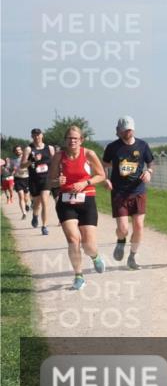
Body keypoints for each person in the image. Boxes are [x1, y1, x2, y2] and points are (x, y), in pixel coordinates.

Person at [46, 125, 107, 290]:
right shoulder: (59, 156)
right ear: (65, 140)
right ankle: (79, 276)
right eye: (69, 138)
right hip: (66, 202)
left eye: (75, 138)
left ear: (81, 140)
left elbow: (101, 175)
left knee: (88, 245)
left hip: (87, 199)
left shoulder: (89, 154)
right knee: (73, 239)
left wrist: (85, 182)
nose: (72, 141)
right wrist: (56, 182)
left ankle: (95, 257)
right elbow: (50, 180)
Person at [102, 116, 155, 270]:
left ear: (133, 129)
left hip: (138, 190)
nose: (128, 132)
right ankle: (120, 241)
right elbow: (104, 164)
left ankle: (132, 256)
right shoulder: (112, 147)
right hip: (119, 192)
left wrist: (149, 171)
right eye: (125, 130)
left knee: (139, 226)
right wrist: (106, 179)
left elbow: (150, 161)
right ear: (118, 131)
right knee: (123, 229)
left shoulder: (143, 145)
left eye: (130, 129)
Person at [26, 128, 55, 235]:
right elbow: (22, 165)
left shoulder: (50, 148)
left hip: (46, 178)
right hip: (34, 179)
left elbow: (55, 161)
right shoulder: (29, 149)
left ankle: (44, 226)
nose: (37, 137)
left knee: (44, 201)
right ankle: (35, 215)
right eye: (34, 135)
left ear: (42, 135)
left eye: (38, 135)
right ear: (32, 137)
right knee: (37, 204)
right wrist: (32, 160)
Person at [13, 146, 31, 218]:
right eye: (16, 150)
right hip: (18, 179)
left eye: (19, 150)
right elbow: (9, 169)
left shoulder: (27, 158)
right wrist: (12, 169)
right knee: (21, 196)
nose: (18, 151)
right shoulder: (13, 160)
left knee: (26, 197)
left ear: (22, 151)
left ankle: (26, 204)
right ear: (14, 152)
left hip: (26, 178)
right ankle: (24, 213)